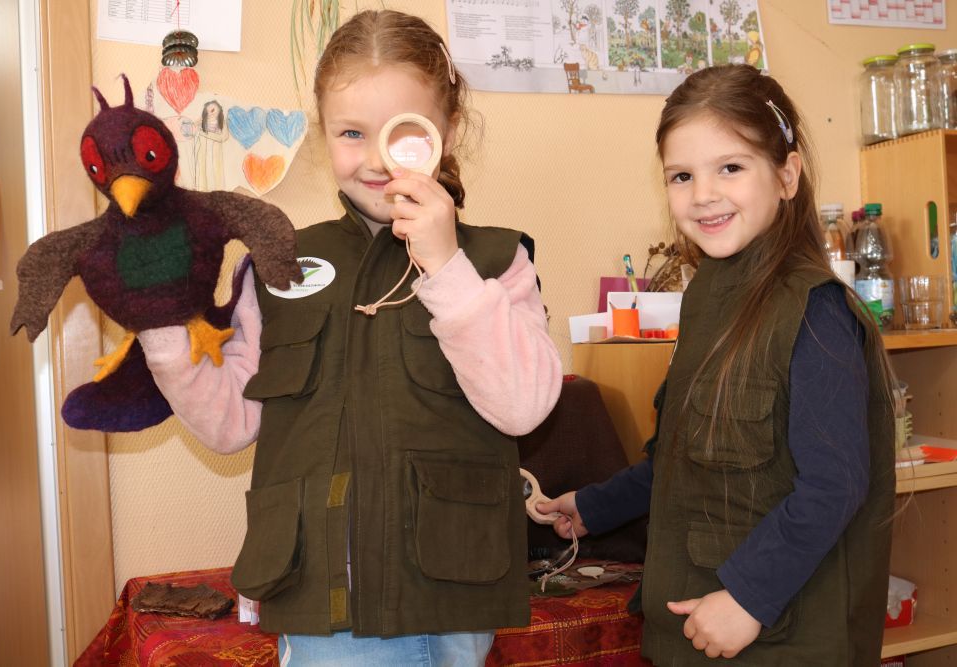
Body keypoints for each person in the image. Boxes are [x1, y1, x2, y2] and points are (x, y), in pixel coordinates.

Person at [138, 9, 562, 666]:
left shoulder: (494, 259)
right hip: (318, 597)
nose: (373, 159)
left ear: (445, 132)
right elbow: (229, 422)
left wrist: (446, 267)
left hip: (446, 591)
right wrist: (162, 327)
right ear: (323, 133)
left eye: (401, 133)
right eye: (351, 133)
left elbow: (524, 403)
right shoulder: (280, 265)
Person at [538, 64, 895, 665]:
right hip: (691, 621)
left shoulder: (814, 309)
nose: (703, 194)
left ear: (786, 175)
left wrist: (749, 599)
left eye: (730, 167)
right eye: (682, 175)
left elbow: (836, 486)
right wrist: (593, 506)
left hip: (781, 635)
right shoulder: (706, 297)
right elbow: (681, 458)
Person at [193, 100, 228, 191]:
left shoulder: (222, 123)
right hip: (203, 154)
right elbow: (193, 128)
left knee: (216, 175)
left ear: (219, 109)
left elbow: (224, 137)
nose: (210, 113)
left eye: (212, 110)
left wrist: (206, 134)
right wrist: (198, 122)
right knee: (203, 175)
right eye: (207, 112)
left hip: (215, 155)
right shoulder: (203, 121)